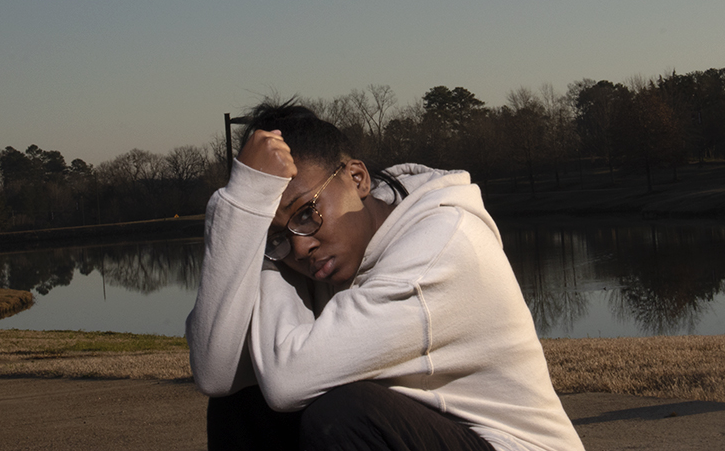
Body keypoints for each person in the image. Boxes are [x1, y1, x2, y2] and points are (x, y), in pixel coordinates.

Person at [186, 101, 584, 451]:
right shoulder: (306, 251)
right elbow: (215, 373)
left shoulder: (441, 247)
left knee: (342, 413)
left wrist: (259, 237)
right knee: (242, 400)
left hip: (504, 444)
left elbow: (286, 379)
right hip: (433, 432)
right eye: (277, 235)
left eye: (307, 212)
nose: (301, 246)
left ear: (357, 178)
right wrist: (246, 215)